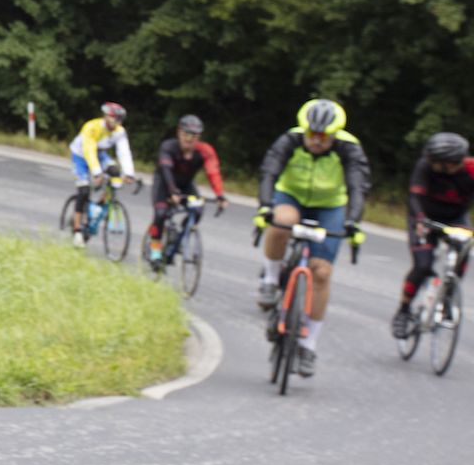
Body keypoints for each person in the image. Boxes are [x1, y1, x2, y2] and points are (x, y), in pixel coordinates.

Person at [255, 98, 370, 376]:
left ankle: (308, 345)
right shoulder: (291, 140)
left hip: (330, 205)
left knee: (321, 272)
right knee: (282, 223)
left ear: (334, 135)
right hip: (291, 195)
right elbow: (270, 171)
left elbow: (358, 185)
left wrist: (353, 221)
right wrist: (265, 205)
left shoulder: (349, 148)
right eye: (312, 135)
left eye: (323, 137)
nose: (316, 141)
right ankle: (270, 280)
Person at [393, 132, 474, 338]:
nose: (430, 162)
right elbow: (414, 197)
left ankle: (447, 297)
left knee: (462, 255)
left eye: (435, 161)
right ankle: (403, 311)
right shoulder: (425, 166)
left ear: (451, 163)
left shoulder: (471, 170)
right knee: (422, 266)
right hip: (425, 217)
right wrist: (420, 219)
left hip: (456, 219)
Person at [144, 113, 227, 265]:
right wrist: (173, 191)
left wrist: (220, 195)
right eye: (186, 134)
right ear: (179, 132)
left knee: (198, 210)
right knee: (161, 213)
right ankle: (155, 249)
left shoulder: (205, 151)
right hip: (164, 183)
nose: (189, 139)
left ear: (199, 136)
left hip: (186, 185)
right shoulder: (169, 147)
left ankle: (181, 236)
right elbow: (166, 169)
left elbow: (213, 172)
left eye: (194, 135)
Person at [67, 102, 136, 246]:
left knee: (115, 172)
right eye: (113, 118)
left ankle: (99, 205)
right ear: (105, 116)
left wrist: (129, 173)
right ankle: (77, 230)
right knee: (84, 191)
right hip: (80, 156)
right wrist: (97, 173)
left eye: (119, 120)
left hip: (100, 154)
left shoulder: (119, 131)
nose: (116, 122)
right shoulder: (92, 127)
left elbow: (124, 152)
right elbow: (89, 150)